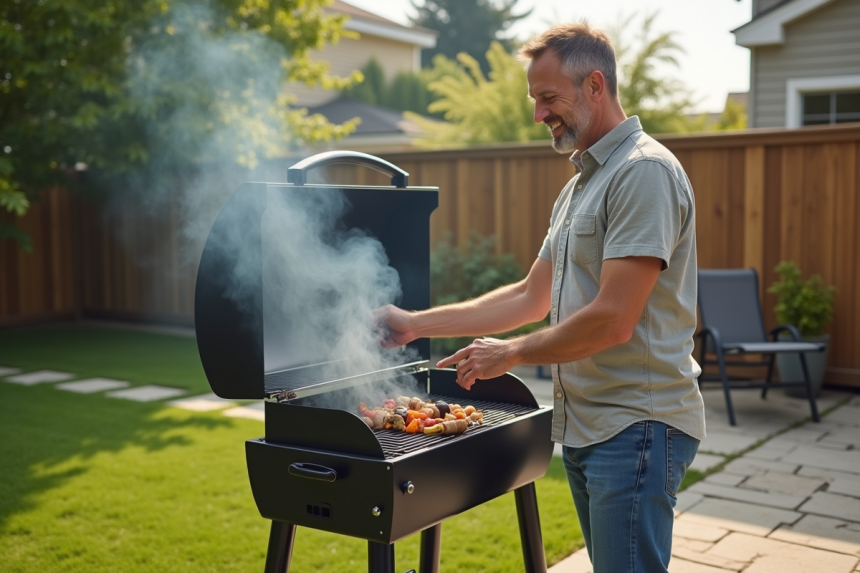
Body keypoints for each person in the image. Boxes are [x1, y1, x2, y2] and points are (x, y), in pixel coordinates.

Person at [377, 21, 705, 573]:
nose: (538, 114)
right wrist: (414, 323)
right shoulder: (581, 185)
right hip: (589, 424)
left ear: (595, 85)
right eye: (534, 99)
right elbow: (531, 295)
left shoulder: (643, 173)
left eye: (549, 97)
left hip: (636, 425)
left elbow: (614, 319)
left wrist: (510, 353)